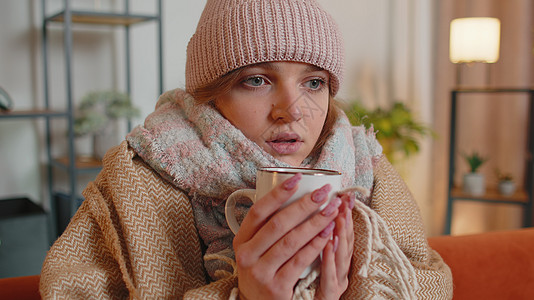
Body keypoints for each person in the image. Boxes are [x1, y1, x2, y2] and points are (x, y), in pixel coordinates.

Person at [40, 0, 453, 299]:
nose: (291, 110)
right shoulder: (142, 174)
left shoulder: (362, 164)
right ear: (210, 96)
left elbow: (432, 282)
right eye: (256, 80)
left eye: (314, 82)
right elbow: (67, 289)